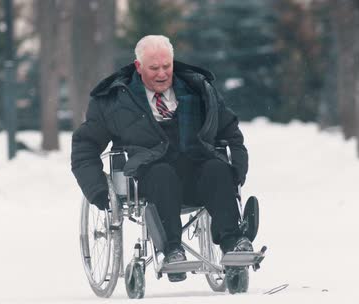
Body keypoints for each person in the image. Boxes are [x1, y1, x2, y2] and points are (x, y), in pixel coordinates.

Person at [71, 35, 253, 282]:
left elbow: (230, 132)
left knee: (217, 168)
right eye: (154, 68)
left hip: (195, 170)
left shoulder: (198, 89)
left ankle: (233, 242)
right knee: (162, 173)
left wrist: (237, 171)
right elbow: (85, 147)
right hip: (149, 179)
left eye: (167, 66)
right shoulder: (113, 100)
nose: (162, 74)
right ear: (138, 67)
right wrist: (97, 190)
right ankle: (172, 250)